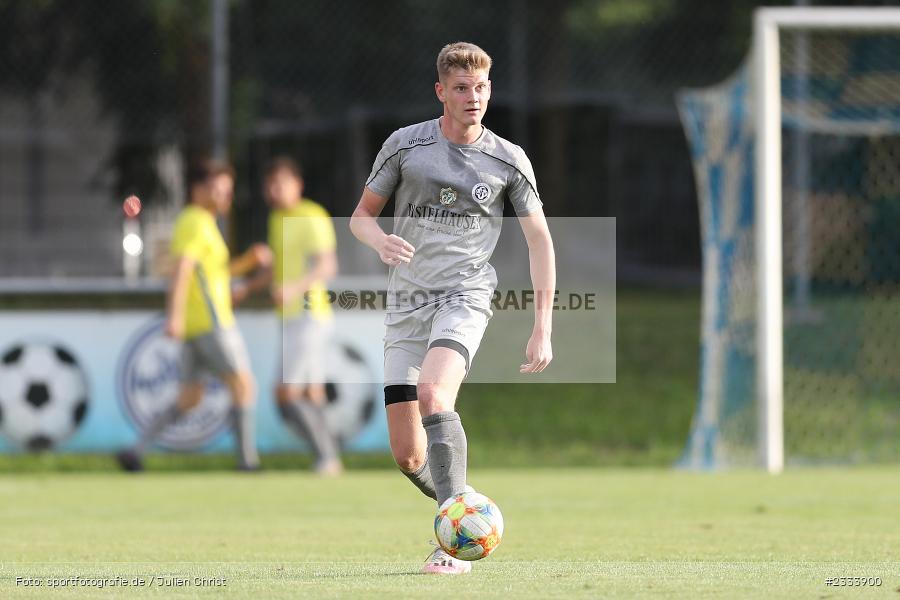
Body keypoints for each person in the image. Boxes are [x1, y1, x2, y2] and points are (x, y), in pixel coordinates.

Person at [349, 42, 556, 574]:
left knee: (433, 394)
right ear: (441, 92)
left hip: (465, 294)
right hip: (407, 302)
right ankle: (462, 498)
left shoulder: (507, 159)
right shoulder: (405, 146)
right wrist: (380, 242)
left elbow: (540, 242)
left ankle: (453, 542)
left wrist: (542, 328)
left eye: (482, 87)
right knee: (408, 455)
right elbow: (361, 217)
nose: (474, 97)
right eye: (462, 88)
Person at [117, 159, 270, 472]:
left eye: (227, 191)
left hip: (197, 326)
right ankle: (247, 462)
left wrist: (246, 263)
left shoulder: (204, 223)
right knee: (243, 384)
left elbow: (213, 273)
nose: (224, 197)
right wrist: (174, 316)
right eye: (217, 190)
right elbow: (183, 269)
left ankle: (136, 450)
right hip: (213, 324)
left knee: (189, 398)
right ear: (198, 190)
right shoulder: (196, 220)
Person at [235, 157, 343, 475]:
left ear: (298, 184)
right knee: (311, 393)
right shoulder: (277, 218)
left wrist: (295, 288)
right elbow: (275, 272)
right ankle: (328, 456)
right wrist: (246, 288)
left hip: (310, 316)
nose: (274, 189)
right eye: (270, 183)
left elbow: (326, 265)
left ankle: (327, 456)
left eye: (281, 182)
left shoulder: (311, 215)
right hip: (292, 318)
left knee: (286, 392)